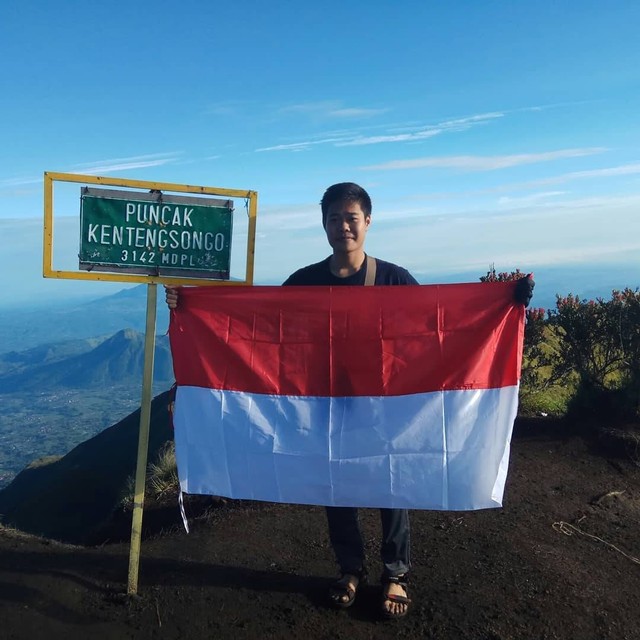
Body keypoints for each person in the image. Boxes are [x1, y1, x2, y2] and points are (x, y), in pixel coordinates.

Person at [165, 182, 534, 620]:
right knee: (335, 483)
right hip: (326, 403)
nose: (344, 226)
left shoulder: (394, 279)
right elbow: (261, 325)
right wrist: (186, 303)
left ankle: (395, 573)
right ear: (324, 225)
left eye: (351, 217)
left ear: (368, 221)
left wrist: (508, 301)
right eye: (335, 218)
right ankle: (350, 569)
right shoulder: (305, 282)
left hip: (384, 403)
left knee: (390, 482)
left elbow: (439, 324)